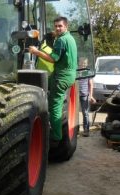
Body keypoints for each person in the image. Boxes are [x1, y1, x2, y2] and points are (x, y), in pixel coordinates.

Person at [29, 17, 77, 146]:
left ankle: (56, 136)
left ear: (66, 26)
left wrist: (36, 52)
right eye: (55, 26)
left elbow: (53, 59)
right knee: (46, 88)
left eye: (60, 26)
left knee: (54, 107)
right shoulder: (70, 38)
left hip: (61, 77)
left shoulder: (61, 40)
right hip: (69, 75)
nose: (57, 28)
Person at [78, 57, 95, 137]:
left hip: (84, 95)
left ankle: (86, 130)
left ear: (87, 64)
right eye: (81, 63)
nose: (83, 64)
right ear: (79, 63)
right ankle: (75, 129)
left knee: (85, 113)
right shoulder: (76, 72)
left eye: (84, 63)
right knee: (75, 113)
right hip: (76, 94)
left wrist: (91, 96)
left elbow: (91, 85)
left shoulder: (88, 72)